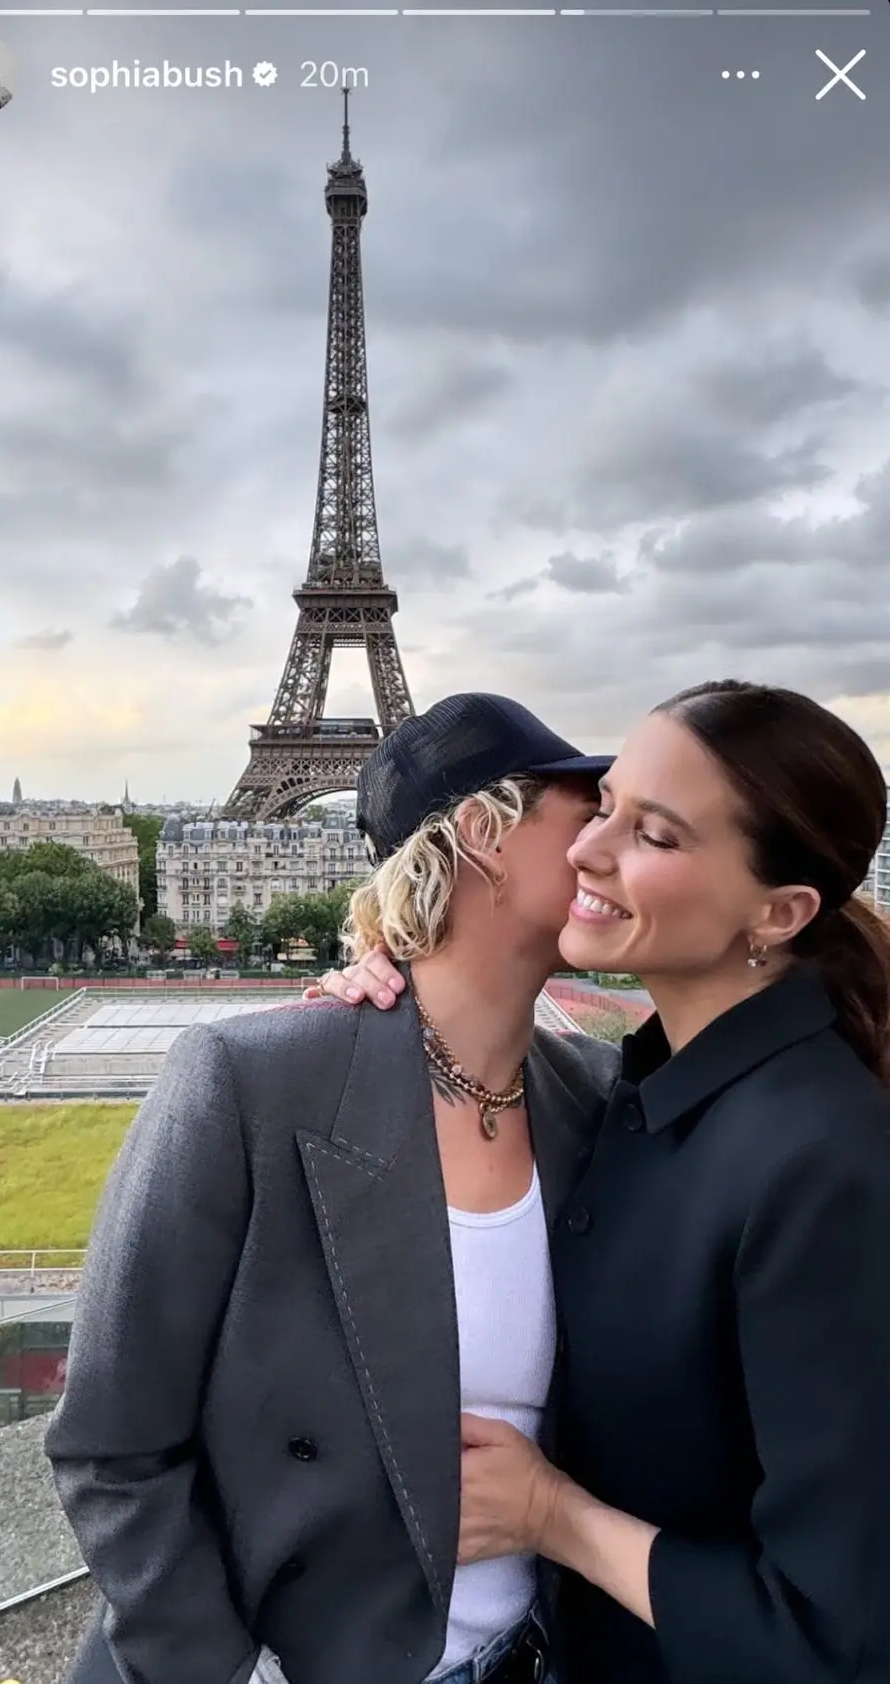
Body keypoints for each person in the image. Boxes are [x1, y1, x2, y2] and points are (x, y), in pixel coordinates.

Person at [316, 679, 890, 1684]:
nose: (587, 847)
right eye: (604, 805)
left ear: (779, 909)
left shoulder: (825, 1164)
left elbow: (832, 1638)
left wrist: (551, 1515)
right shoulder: (627, 1085)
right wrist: (369, 1015)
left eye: (654, 836)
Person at [44, 693, 620, 1684]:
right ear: (482, 831)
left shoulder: (598, 1100)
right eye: (587, 809)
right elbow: (111, 1440)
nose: (610, 841)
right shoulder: (247, 1080)